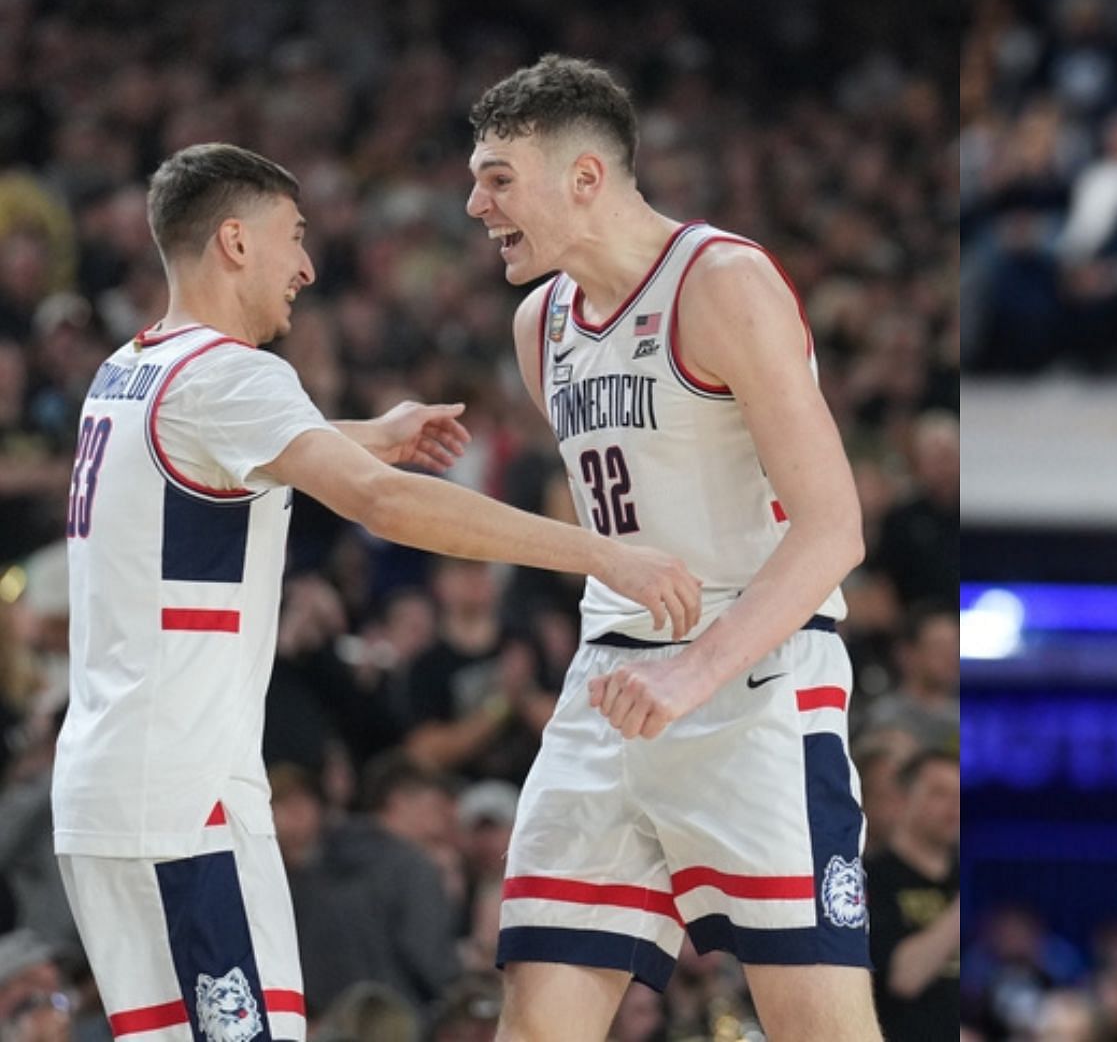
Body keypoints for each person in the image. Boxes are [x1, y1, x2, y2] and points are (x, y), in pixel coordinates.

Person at [52, 142, 703, 1042]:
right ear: (235, 242)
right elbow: (383, 506)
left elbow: (221, 454)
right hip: (183, 794)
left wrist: (366, 433)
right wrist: (604, 553)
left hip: (104, 790)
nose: (308, 267)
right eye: (294, 238)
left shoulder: (129, 370)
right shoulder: (231, 374)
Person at [462, 56, 876, 1040]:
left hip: (758, 683)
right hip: (609, 686)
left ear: (587, 177)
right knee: (534, 1021)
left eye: (498, 178)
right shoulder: (541, 324)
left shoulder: (722, 282)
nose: (475, 204)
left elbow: (835, 530)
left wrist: (694, 673)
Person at [865, 747, 960, 1041]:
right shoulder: (871, 877)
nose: (954, 807)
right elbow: (904, 978)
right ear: (903, 799)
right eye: (939, 793)